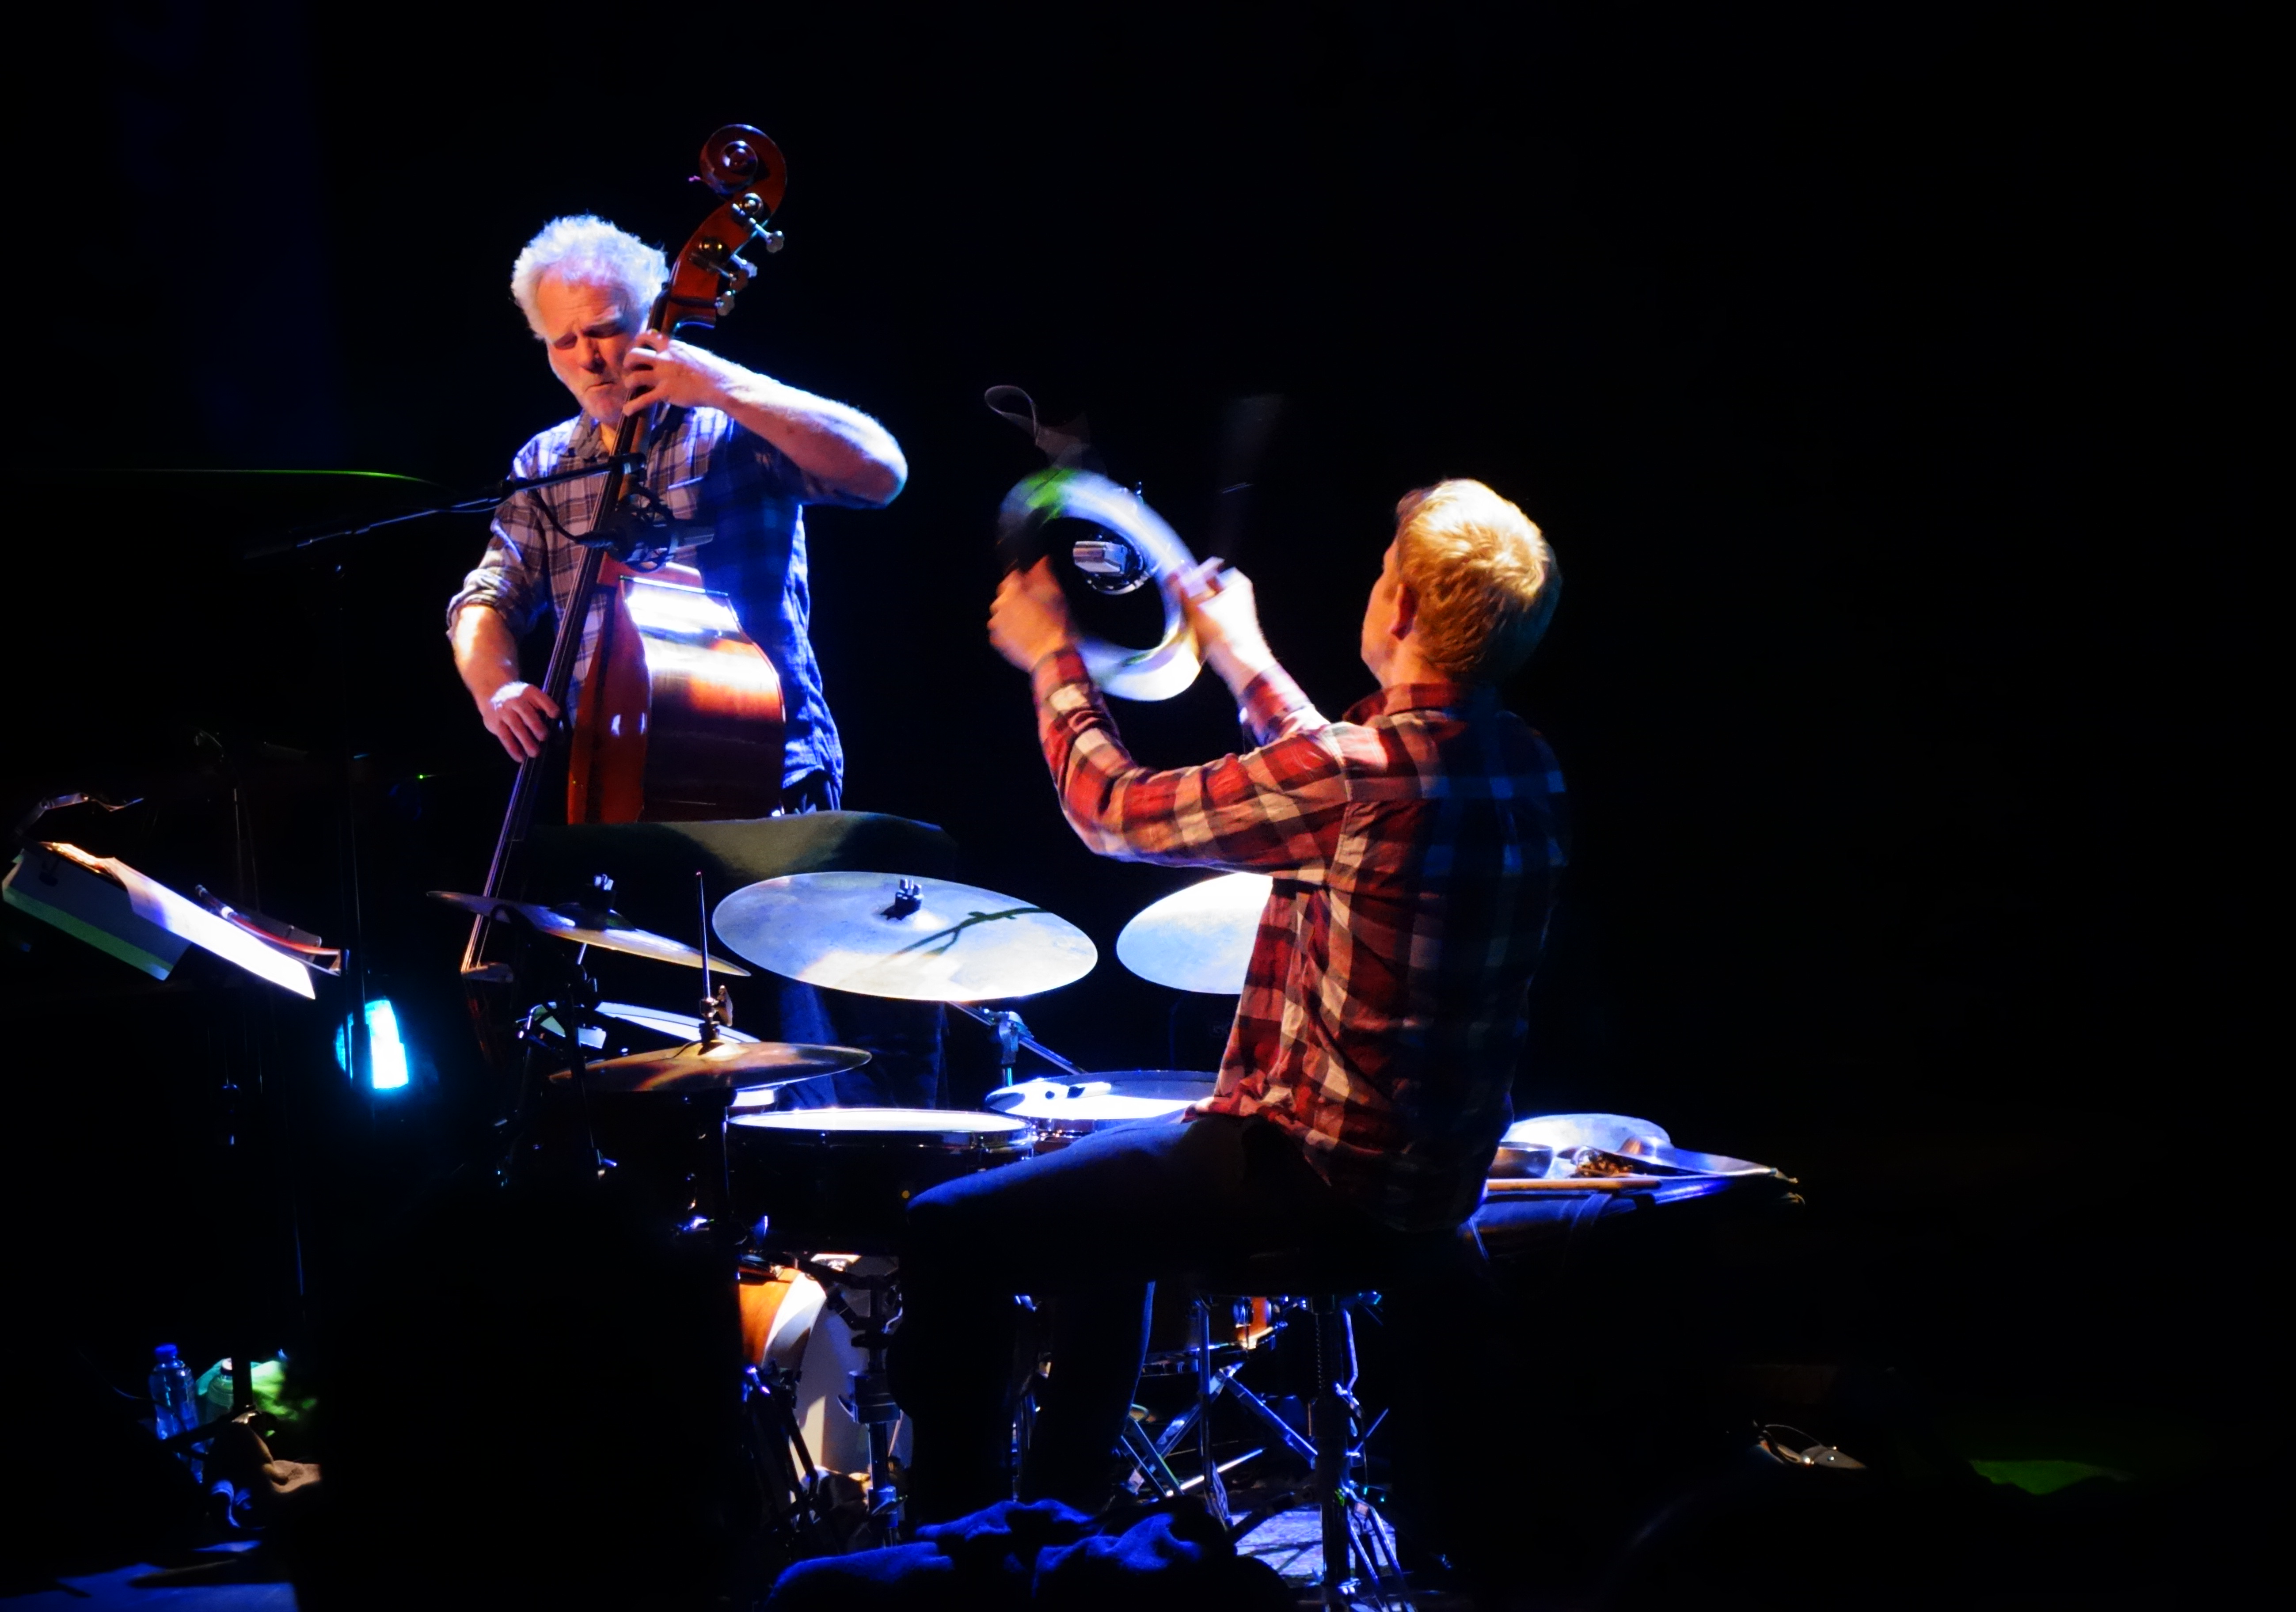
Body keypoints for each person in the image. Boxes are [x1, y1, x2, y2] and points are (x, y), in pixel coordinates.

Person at [897, 478, 1568, 1525]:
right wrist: (1238, 653)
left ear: (1396, 613)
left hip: (1316, 1178)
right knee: (1108, 1225)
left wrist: (1053, 661)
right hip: (1429, 1193)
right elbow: (1329, 777)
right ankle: (1051, 1526)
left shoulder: (1361, 779)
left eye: (1383, 574)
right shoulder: (1526, 764)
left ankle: (953, 1556)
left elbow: (1112, 814)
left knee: (944, 1230)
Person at [447, 215, 937, 1102]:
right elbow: (486, 597)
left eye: (606, 330)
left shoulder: (730, 425)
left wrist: (723, 384)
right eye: (565, 342)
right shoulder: (545, 464)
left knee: (790, 1059)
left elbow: (880, 472)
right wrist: (498, 684)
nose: (591, 359)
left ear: (654, 321)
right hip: (614, 799)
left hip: (764, 784)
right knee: (648, 1067)